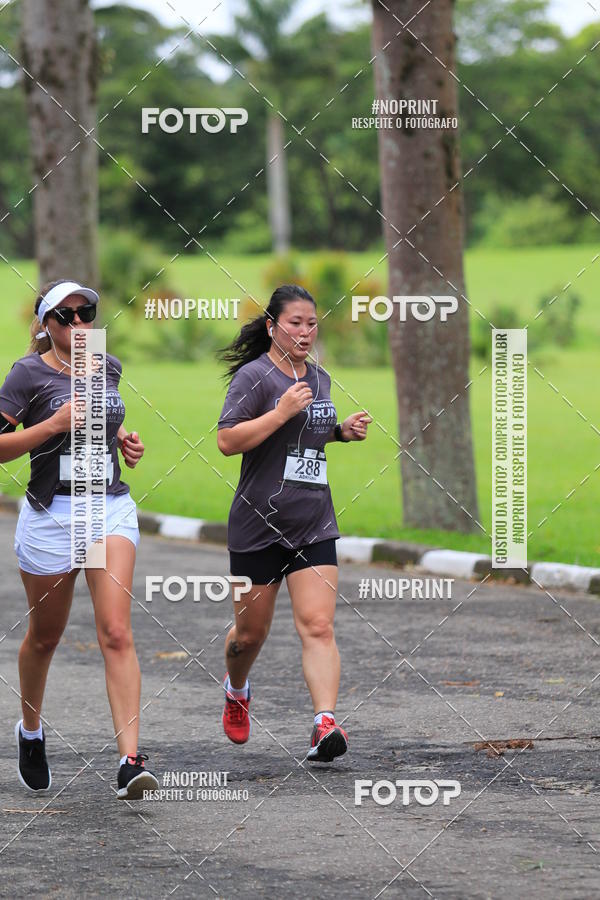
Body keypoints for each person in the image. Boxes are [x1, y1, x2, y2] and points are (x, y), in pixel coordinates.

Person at [0, 280, 159, 799]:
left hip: (107, 506)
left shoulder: (106, 365)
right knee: (45, 637)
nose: (77, 322)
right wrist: (51, 426)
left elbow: (103, 425)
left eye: (84, 311)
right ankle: (30, 730)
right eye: (64, 316)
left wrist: (122, 442)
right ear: (46, 325)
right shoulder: (27, 374)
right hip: (51, 514)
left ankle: (129, 760)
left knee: (115, 630)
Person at [217, 284, 371, 762]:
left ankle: (324, 723)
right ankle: (236, 688)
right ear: (272, 327)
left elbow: (311, 434)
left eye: (311, 323)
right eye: (295, 323)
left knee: (319, 626)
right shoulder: (253, 377)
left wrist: (341, 432)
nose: (305, 332)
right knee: (248, 637)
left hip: (313, 522)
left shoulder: (319, 377)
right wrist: (280, 412)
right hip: (258, 526)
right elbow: (227, 441)